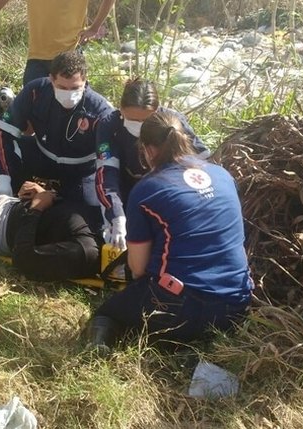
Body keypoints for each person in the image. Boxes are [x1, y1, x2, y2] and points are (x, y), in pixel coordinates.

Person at [87, 111, 253, 353]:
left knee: (108, 313)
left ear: (146, 149)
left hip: (180, 306)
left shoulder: (148, 189)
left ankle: (100, 352)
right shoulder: (222, 175)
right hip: (236, 305)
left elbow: (139, 267)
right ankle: (198, 346)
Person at [0, 50, 113, 215]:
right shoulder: (36, 91)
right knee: (5, 144)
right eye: (62, 87)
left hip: (81, 169)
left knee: (85, 211)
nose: (69, 95)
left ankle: (54, 197)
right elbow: (2, 130)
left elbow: (110, 159)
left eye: (75, 88)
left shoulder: (100, 110)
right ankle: (15, 197)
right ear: (51, 79)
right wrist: (3, 178)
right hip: (43, 156)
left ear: (85, 81)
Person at [96, 78, 211, 251]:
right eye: (132, 120)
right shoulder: (109, 125)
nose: (139, 127)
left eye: (144, 121)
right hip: (125, 186)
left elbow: (203, 162)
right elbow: (106, 174)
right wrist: (117, 215)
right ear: (121, 109)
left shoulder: (171, 122)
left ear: (157, 112)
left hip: (167, 186)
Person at [0, 0, 116, 85]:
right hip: (37, 55)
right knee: (31, 114)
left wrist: (94, 28)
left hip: (69, 53)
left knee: (70, 114)